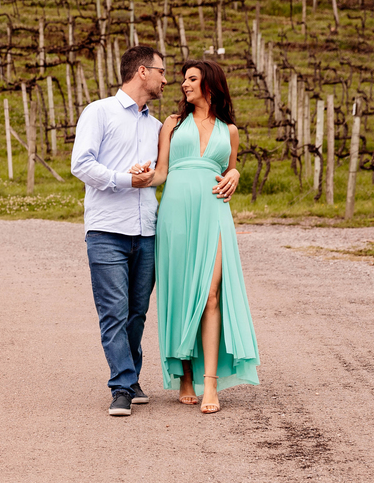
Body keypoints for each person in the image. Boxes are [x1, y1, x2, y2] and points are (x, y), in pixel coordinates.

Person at [71, 46, 238, 417]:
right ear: (143, 71)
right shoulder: (101, 112)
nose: (170, 80)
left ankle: (137, 378)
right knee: (115, 311)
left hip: (150, 229)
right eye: (164, 73)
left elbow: (205, 166)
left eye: (184, 77)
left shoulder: (156, 124)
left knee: (137, 313)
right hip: (109, 228)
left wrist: (233, 173)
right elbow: (81, 164)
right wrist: (127, 180)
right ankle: (123, 385)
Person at [131, 59, 259, 414]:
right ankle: (185, 375)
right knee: (182, 292)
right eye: (183, 79)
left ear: (210, 84)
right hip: (175, 214)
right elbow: (161, 173)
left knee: (211, 295)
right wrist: (137, 176)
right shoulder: (173, 124)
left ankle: (211, 385)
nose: (183, 85)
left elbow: (229, 169)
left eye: (191, 79)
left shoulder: (229, 130)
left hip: (214, 213)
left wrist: (234, 172)